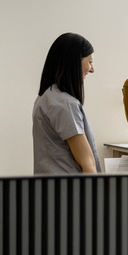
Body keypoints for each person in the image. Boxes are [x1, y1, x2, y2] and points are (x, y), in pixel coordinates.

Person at [32, 33, 100, 174]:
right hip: (68, 191)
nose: (92, 69)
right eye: (90, 62)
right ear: (74, 62)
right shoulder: (64, 103)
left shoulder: (46, 97)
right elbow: (87, 164)